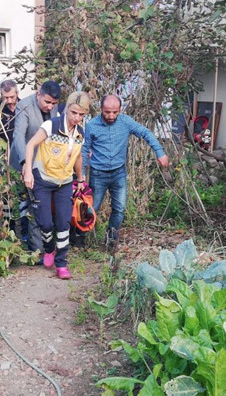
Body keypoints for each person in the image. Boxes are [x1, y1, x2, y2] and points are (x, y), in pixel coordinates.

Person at [82, 94, 169, 249]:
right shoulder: (91, 126)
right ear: (101, 109)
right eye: (107, 112)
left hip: (118, 173)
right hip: (98, 174)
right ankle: (81, 239)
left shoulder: (125, 122)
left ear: (119, 110)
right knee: (91, 209)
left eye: (115, 112)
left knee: (119, 209)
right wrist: (81, 173)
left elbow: (146, 133)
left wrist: (160, 153)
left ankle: (111, 241)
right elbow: (84, 150)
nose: (111, 115)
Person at [22, 91, 91, 280]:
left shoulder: (79, 134)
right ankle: (49, 249)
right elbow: (30, 145)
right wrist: (28, 171)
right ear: (67, 109)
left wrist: (80, 179)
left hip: (64, 182)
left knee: (63, 223)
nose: (77, 118)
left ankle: (61, 264)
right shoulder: (50, 125)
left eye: (81, 115)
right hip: (43, 180)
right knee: (45, 223)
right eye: (74, 112)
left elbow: (77, 156)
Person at [11, 80, 64, 252]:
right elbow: (18, 136)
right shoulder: (24, 106)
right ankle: (37, 249)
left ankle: (45, 244)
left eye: (54, 104)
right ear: (38, 94)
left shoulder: (54, 107)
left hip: (47, 161)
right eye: (47, 102)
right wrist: (25, 164)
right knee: (35, 203)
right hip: (25, 159)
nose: (50, 107)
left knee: (42, 204)